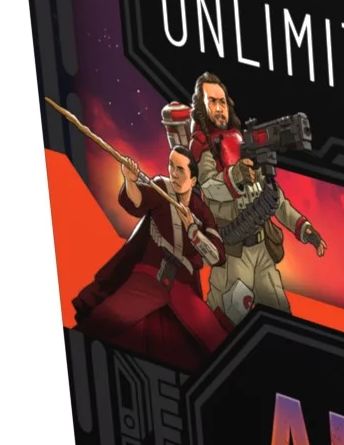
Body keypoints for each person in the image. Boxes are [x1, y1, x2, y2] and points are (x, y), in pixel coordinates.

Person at [72, 142, 229, 370]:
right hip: (150, 275)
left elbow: (217, 257)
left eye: (181, 169)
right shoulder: (161, 187)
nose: (174, 173)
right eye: (171, 166)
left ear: (193, 180)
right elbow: (138, 201)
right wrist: (130, 181)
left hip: (183, 287)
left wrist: (193, 231)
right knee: (107, 319)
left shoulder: (201, 211)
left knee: (215, 340)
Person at [186, 72, 328, 325]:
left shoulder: (242, 143)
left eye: (222, 102)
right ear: (200, 107)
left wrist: (303, 228)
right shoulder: (204, 148)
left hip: (262, 251)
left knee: (281, 317)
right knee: (224, 324)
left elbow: (274, 197)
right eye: (212, 102)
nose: (219, 108)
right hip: (233, 255)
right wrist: (235, 176)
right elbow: (209, 189)